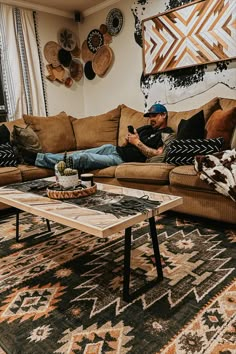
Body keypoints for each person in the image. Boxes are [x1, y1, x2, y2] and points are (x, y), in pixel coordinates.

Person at [22, 103, 173, 171]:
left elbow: (157, 154)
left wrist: (137, 142)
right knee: (79, 153)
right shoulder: (146, 128)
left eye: (154, 116)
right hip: (113, 149)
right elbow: (125, 143)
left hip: (121, 160)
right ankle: (40, 159)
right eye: (149, 116)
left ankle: (38, 159)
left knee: (84, 159)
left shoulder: (167, 133)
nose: (150, 119)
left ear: (164, 115)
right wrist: (127, 140)